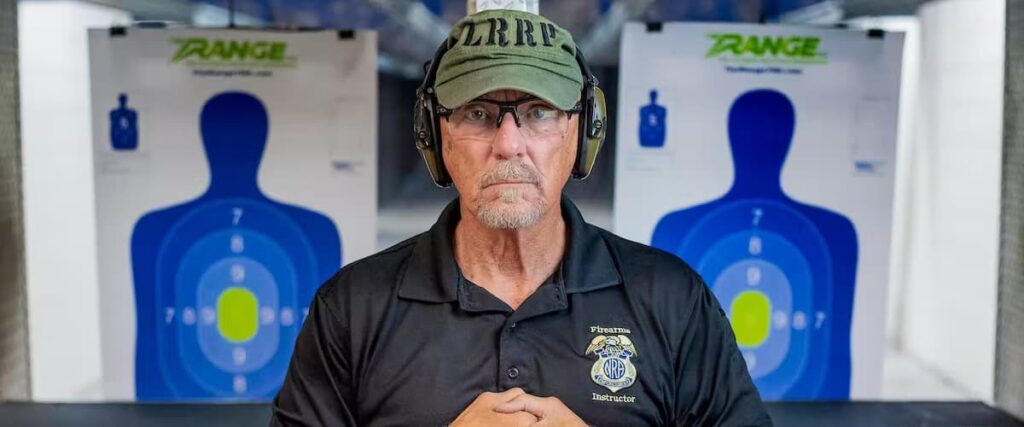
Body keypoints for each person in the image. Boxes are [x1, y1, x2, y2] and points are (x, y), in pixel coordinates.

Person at [271, 9, 771, 427]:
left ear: (582, 132)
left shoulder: (674, 302)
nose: (509, 144)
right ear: (435, 134)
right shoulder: (353, 309)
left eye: (539, 112)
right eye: (477, 113)